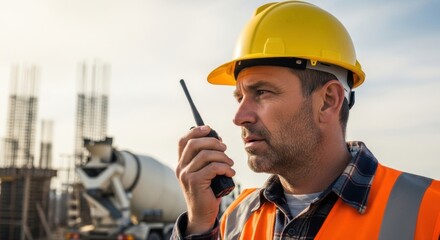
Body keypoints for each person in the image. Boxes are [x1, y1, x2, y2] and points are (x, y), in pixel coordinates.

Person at [172, 1, 440, 239]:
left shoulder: (430, 212)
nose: (239, 117)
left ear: (328, 101)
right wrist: (199, 225)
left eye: (262, 92)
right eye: (239, 97)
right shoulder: (236, 221)